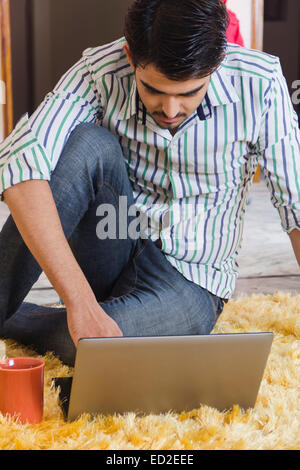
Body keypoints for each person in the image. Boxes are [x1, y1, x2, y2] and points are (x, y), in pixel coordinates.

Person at [0, 0, 299, 366]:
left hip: (190, 279)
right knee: (87, 144)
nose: (170, 111)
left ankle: (23, 319)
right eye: (154, 90)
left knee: (101, 352)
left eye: (188, 93)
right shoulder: (100, 70)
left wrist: (84, 314)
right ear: (130, 56)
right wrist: (79, 299)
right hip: (113, 244)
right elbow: (20, 165)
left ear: (217, 61)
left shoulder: (262, 83)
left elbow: (295, 206)